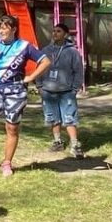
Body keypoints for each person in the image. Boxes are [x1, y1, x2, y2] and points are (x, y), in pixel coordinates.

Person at [0, 15, 50, 177]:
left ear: (13, 30)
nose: (1, 31)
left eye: (5, 28)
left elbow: (46, 61)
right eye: (0, 28)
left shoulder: (24, 46)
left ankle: (7, 163)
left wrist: (31, 77)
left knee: (12, 127)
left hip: (16, 91)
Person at [37, 22, 85, 158]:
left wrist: (75, 88)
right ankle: (57, 141)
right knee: (53, 118)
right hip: (48, 90)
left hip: (66, 91)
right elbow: (39, 68)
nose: (55, 34)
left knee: (70, 118)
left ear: (65, 34)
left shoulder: (72, 52)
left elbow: (78, 71)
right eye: (53, 31)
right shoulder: (45, 51)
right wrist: (39, 85)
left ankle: (75, 144)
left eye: (58, 31)